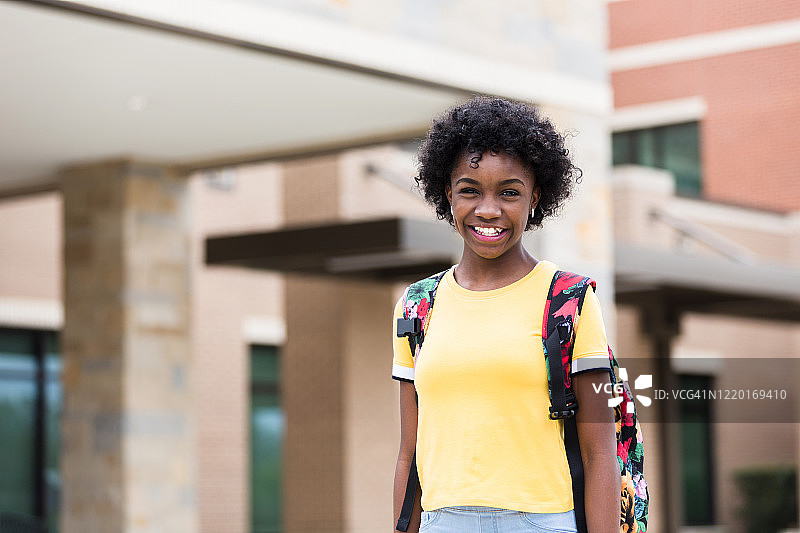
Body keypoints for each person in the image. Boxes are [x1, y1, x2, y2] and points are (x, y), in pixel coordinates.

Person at [391, 96, 621, 533]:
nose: (489, 210)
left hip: (543, 522)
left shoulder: (569, 299)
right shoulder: (418, 305)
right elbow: (409, 454)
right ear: (448, 194)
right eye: (470, 190)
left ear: (535, 197)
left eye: (509, 192)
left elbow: (599, 453)